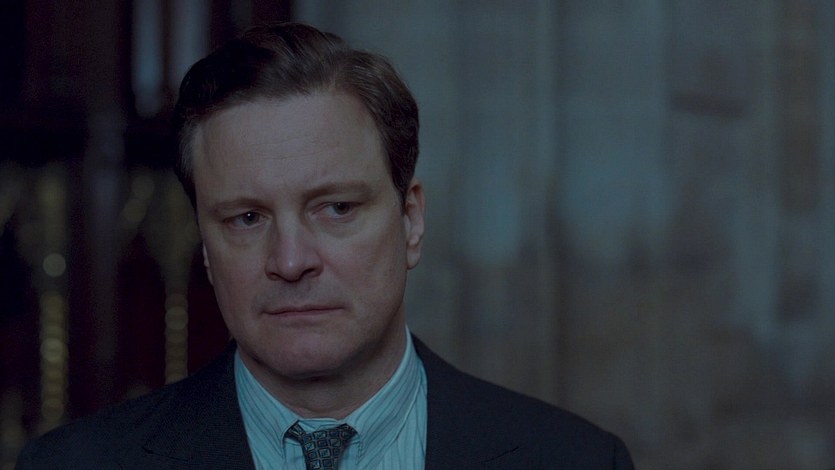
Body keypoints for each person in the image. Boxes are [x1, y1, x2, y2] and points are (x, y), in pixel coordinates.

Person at [16, 22, 634, 469]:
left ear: (411, 221)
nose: (290, 261)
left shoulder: (573, 460)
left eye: (336, 209)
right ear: (204, 246)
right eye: (246, 218)